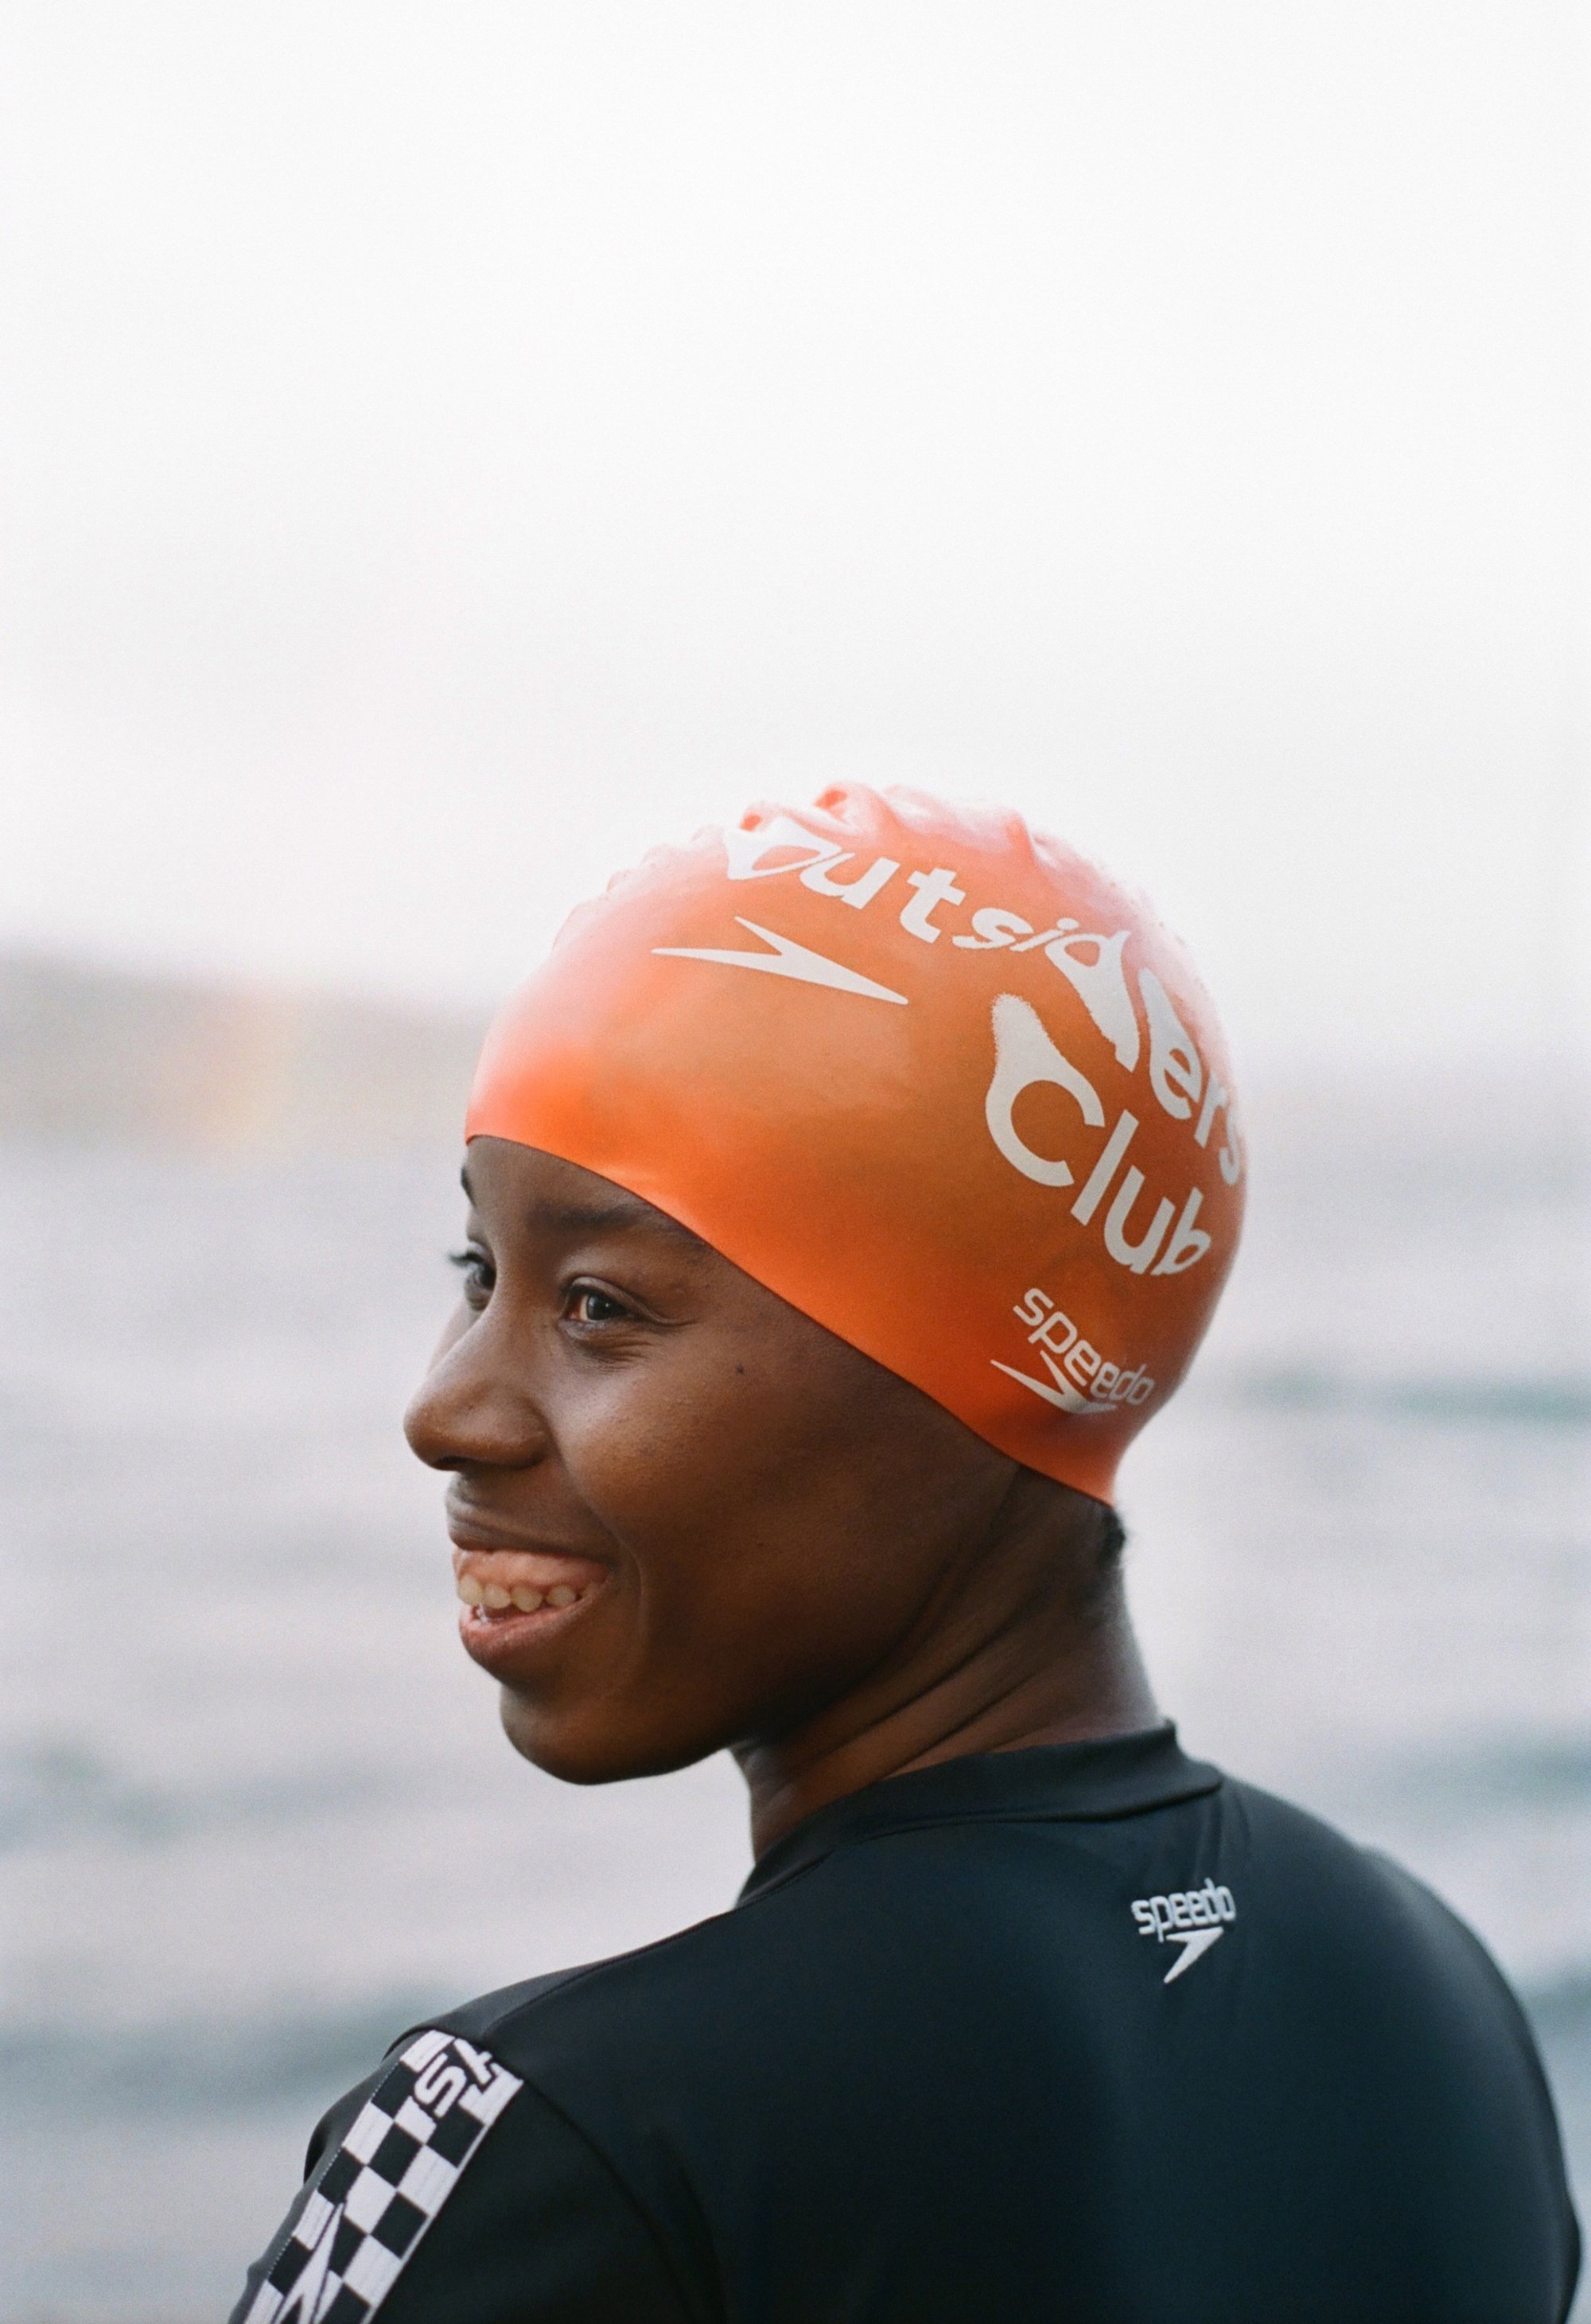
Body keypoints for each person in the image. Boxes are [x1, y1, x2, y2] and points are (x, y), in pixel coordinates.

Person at [231, 784, 1579, 2324]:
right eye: (476, 1266)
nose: (446, 1408)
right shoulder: (1439, 2003)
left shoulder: (561, 2147)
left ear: (967, 1372)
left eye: (598, 1302)